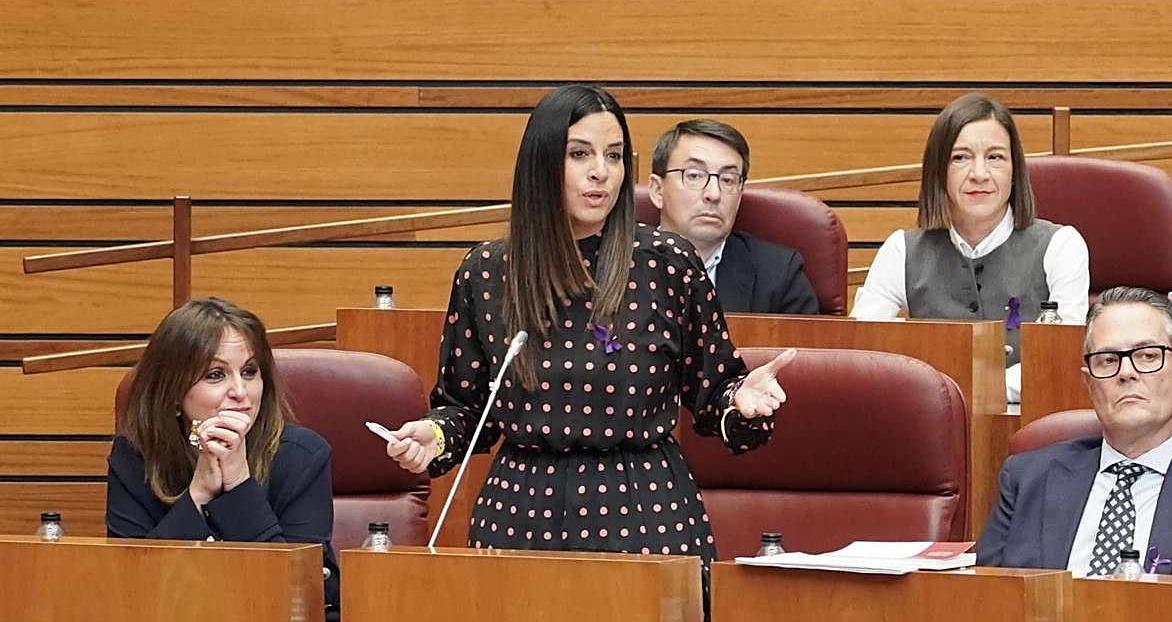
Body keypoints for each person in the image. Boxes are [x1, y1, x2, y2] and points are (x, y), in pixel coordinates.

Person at [385, 84, 795, 610]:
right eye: (580, 154)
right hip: (521, 508)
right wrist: (434, 433)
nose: (601, 171)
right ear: (541, 164)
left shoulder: (669, 264)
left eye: (615, 155)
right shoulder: (487, 272)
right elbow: (468, 410)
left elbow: (713, 390)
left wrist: (741, 402)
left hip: (645, 506)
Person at [106, 297, 339, 619]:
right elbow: (130, 589)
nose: (240, 392)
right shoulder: (135, 456)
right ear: (173, 394)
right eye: (216, 375)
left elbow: (298, 594)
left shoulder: (303, 457)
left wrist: (239, 483)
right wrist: (198, 493)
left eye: (249, 371)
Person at [850, 92, 1089, 398]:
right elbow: (861, 350)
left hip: (1030, 423)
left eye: (995, 157)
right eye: (960, 158)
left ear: (1015, 171)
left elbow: (1063, 358)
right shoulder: (901, 251)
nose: (979, 174)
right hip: (931, 424)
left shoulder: (1061, 246)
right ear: (939, 172)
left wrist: (977, 390)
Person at [977, 287, 1172, 576]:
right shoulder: (1028, 477)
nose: (1126, 372)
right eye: (1108, 360)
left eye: (1147, 356)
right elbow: (986, 596)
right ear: (1089, 383)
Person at [648, 119, 819, 315]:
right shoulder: (615, 264)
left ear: (739, 194)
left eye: (728, 180)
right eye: (694, 176)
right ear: (658, 190)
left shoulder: (779, 275)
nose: (714, 194)